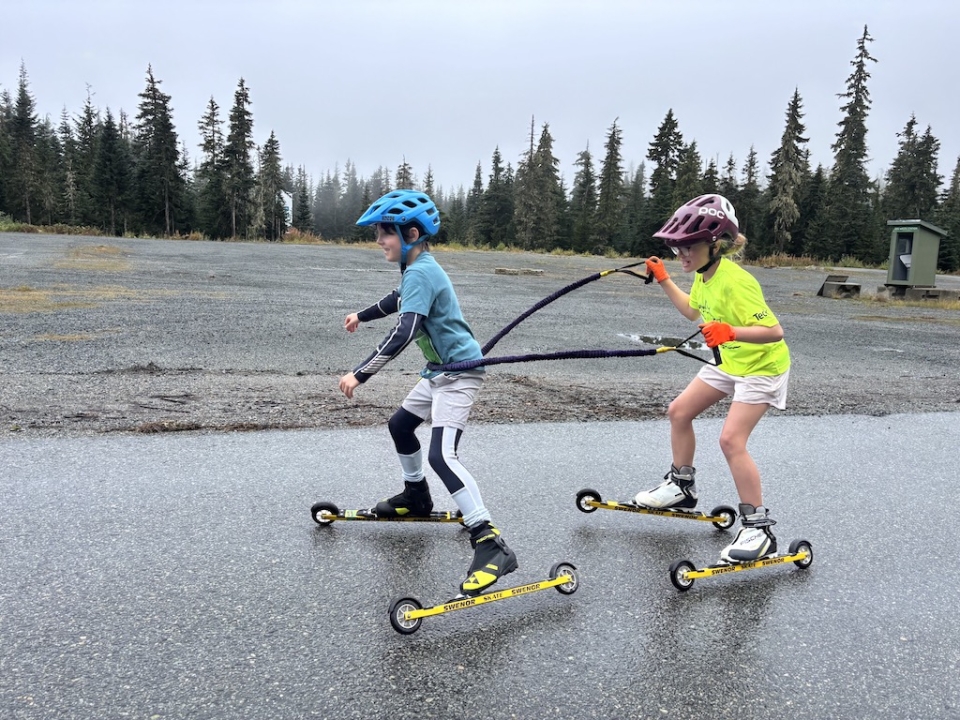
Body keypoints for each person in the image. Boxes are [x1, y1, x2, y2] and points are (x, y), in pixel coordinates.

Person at [338, 189, 518, 595]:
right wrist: (362, 315)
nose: (379, 241)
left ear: (412, 234)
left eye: (385, 233)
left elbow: (404, 331)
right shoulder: (418, 269)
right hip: (438, 371)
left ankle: (490, 541)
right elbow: (398, 300)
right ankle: (417, 495)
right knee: (401, 426)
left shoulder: (421, 271)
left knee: (442, 456)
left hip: (459, 374)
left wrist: (361, 374)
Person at [632, 193, 791, 563]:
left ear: (715, 244)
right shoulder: (704, 275)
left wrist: (731, 331)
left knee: (731, 440)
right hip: (730, 360)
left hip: (761, 366)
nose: (681, 254)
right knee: (679, 412)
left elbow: (774, 332)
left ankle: (759, 529)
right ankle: (681, 486)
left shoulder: (737, 282)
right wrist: (664, 279)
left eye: (689, 247)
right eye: (677, 248)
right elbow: (693, 311)